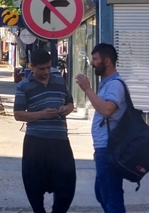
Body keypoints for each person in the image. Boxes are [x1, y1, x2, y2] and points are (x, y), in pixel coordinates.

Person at [14, 49, 76, 213]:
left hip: (60, 141)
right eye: (42, 69)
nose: (46, 72)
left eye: (48, 67)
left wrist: (66, 109)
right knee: (33, 183)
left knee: (67, 182)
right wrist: (41, 114)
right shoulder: (23, 86)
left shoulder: (59, 81)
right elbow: (18, 114)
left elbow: (70, 103)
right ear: (32, 67)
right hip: (36, 141)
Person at [75, 43, 127, 212]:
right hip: (103, 149)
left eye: (95, 59)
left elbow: (106, 110)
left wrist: (87, 89)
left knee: (111, 198)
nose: (91, 63)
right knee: (103, 193)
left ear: (107, 61)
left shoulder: (115, 85)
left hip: (110, 149)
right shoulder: (107, 84)